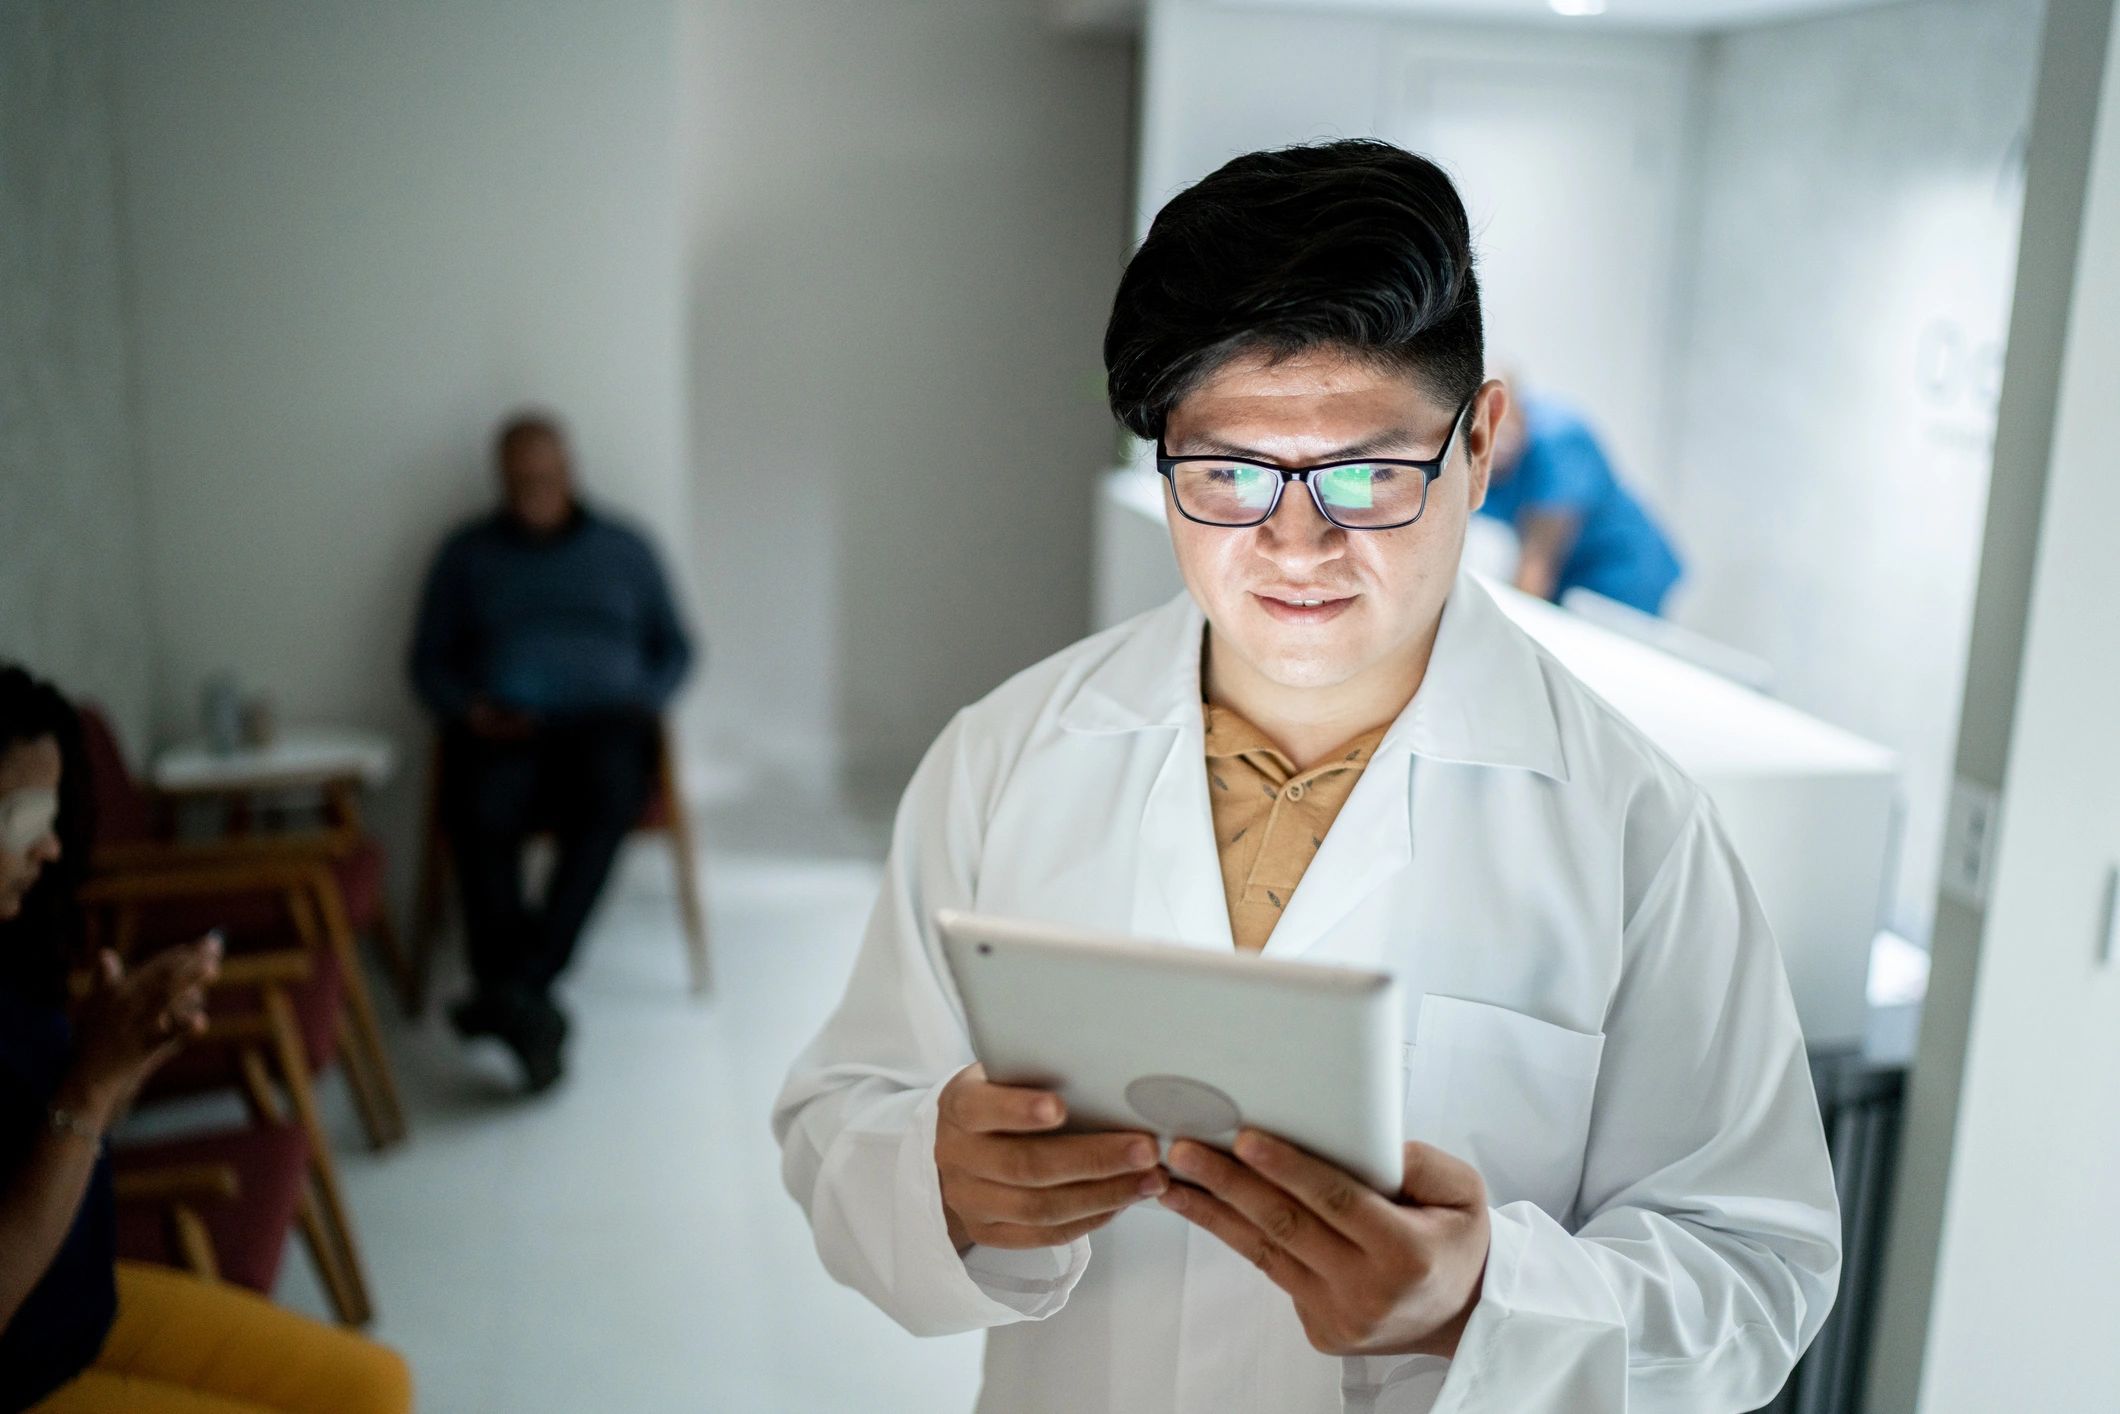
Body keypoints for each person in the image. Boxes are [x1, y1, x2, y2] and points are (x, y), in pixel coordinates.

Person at [774, 141, 1839, 1413]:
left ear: (1479, 440)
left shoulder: (1634, 827)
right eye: (1225, 472)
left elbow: (1756, 1266)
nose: (1293, 544)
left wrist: (1476, 1302)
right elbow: (842, 1112)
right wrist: (936, 1173)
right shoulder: (1007, 752)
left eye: (1366, 474)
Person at [0, 665, 410, 1413]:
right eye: (24, 823)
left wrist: (126, 1056)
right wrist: (88, 1089)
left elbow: (63, 1136)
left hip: (79, 1306)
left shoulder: (12, 943)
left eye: (54, 820)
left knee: (379, 1387)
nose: (51, 849)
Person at [410, 413, 693, 1091]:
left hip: (607, 724)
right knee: (480, 809)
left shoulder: (626, 548)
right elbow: (427, 663)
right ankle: (523, 999)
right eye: (518, 477)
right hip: (506, 727)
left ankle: (516, 988)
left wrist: (644, 698)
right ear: (499, 479)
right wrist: (467, 708)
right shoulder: (466, 554)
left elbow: (677, 648)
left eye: (545, 473)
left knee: (609, 799)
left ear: (570, 470)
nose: (533, 487)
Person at [1479, 385, 1683, 615]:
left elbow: (1538, 562)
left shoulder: (1560, 441)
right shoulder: (1467, 452)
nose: (1498, 443)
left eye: (1505, 429)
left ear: (1520, 409)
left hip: (1623, 567)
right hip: (1570, 575)